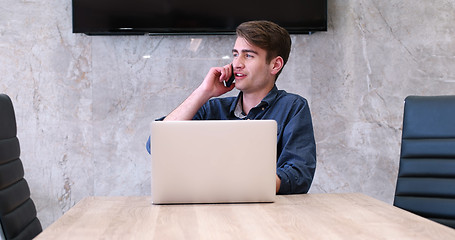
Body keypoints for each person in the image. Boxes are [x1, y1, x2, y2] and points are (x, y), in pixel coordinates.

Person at [147, 20, 316, 194]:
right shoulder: (212, 109)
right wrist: (203, 92)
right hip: (207, 210)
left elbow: (299, 175)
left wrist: (239, 183)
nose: (236, 64)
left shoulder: (293, 107)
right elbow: (158, 145)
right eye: (235, 54)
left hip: (267, 213)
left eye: (248, 55)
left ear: (275, 65)